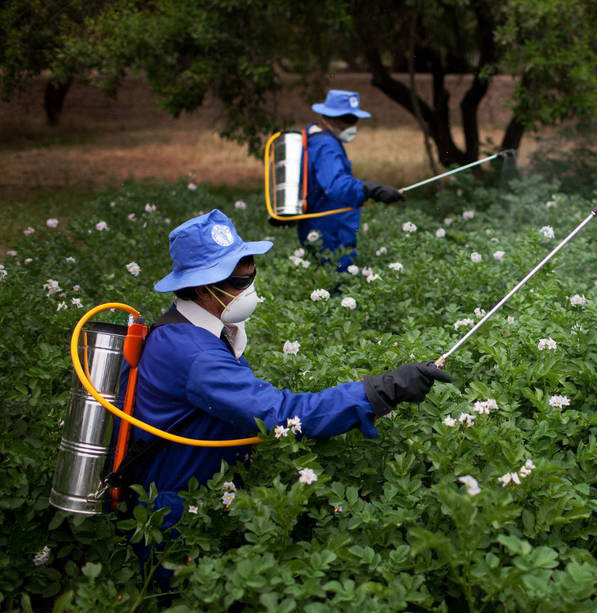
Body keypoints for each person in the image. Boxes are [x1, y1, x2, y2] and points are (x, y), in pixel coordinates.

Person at [121, 209, 449, 575]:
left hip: (203, 494)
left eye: (251, 275)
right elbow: (280, 413)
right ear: (201, 287)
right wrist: (382, 390)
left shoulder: (189, 331)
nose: (249, 289)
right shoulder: (194, 354)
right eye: (239, 281)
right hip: (176, 511)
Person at [293, 89, 404, 270]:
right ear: (329, 117)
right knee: (337, 281)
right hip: (329, 230)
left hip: (327, 226)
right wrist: (372, 190)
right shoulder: (326, 145)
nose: (352, 126)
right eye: (347, 119)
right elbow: (337, 186)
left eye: (354, 120)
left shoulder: (318, 137)